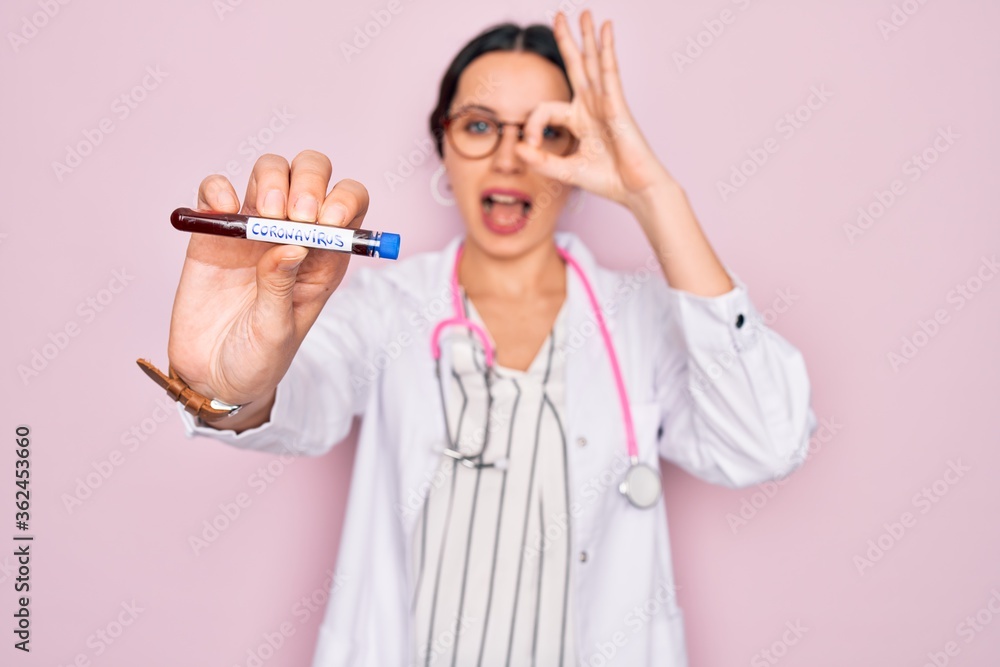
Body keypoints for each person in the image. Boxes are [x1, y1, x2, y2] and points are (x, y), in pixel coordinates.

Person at [149, 10, 816, 666]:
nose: (508, 158)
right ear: (441, 144)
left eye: (546, 132)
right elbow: (297, 399)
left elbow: (766, 440)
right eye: (478, 126)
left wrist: (653, 195)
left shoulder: (643, 320)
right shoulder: (387, 307)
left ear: (584, 153)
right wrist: (224, 389)